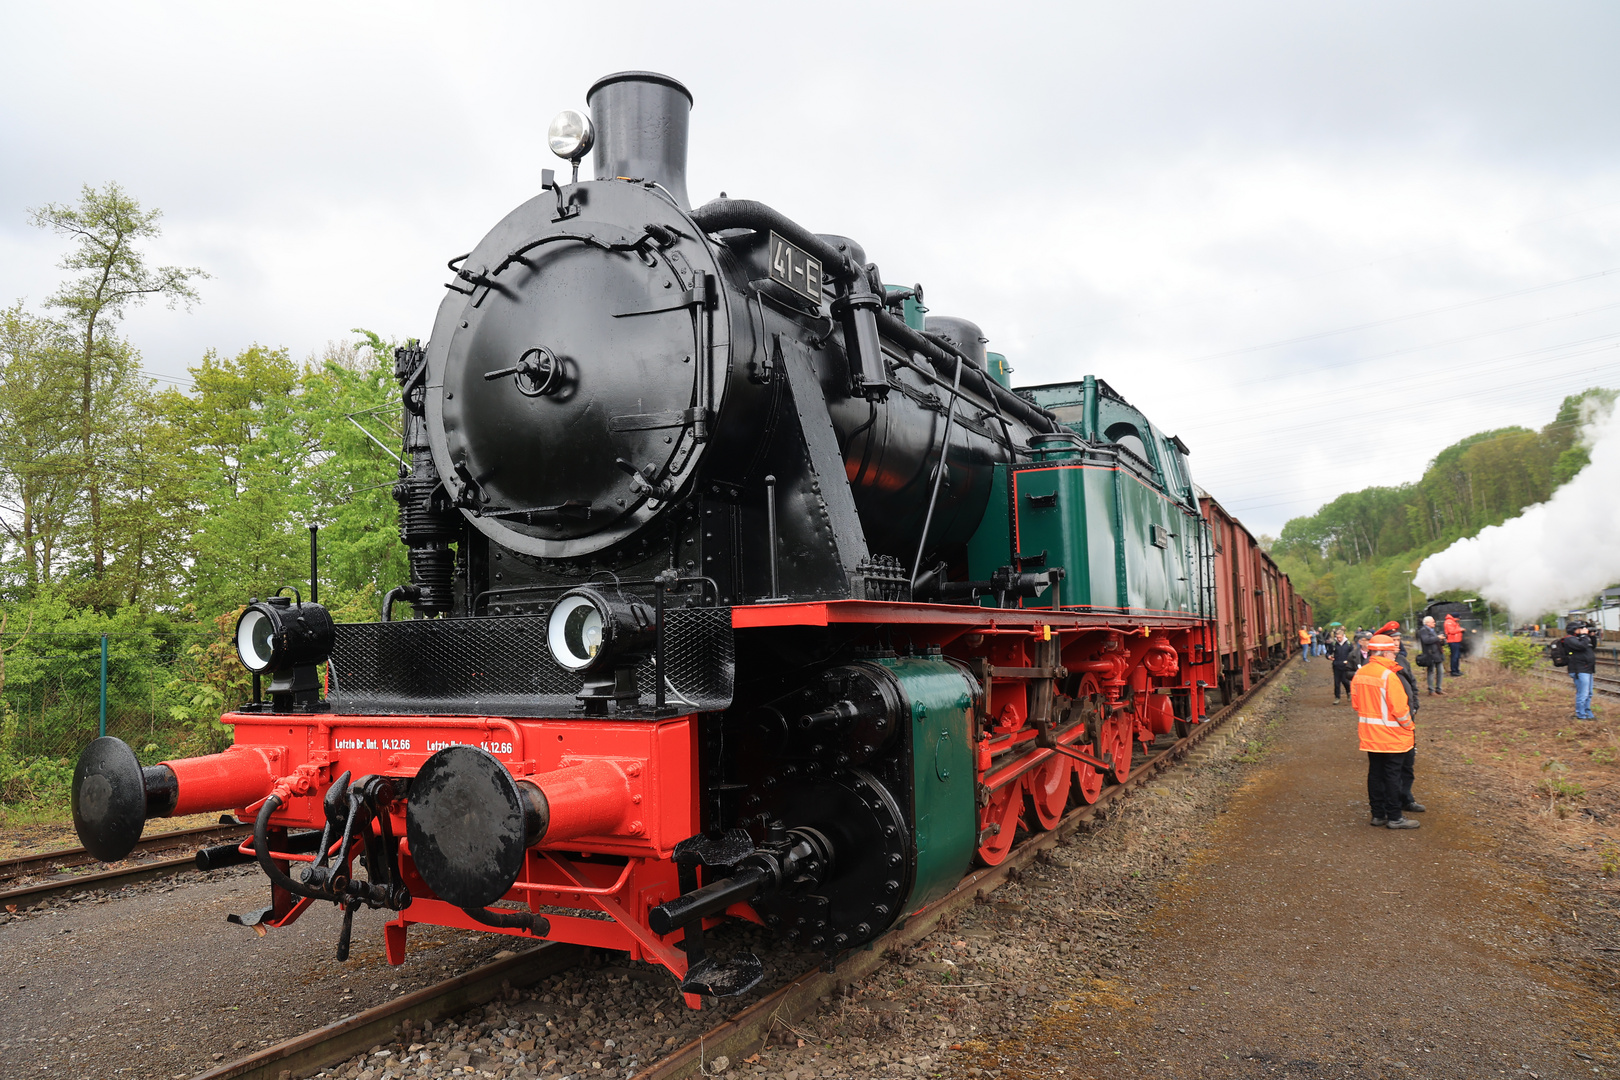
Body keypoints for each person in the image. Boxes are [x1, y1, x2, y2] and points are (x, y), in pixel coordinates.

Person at [1350, 634, 1420, 829]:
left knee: (1375, 773)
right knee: (1392, 775)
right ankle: (1395, 817)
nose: (1394, 656)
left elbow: (1356, 704)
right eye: (1393, 652)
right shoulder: (1389, 676)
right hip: (1392, 736)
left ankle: (1378, 814)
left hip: (1370, 735)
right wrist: (1409, 726)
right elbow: (1400, 710)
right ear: (1385, 652)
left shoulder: (1361, 673)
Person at [1562, 620, 1598, 721]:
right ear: (1573, 630)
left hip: (1587, 669)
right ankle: (1581, 715)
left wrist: (1592, 636)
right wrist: (1584, 636)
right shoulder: (1569, 639)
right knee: (1583, 693)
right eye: (1580, 628)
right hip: (1579, 669)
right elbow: (1581, 646)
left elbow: (1592, 646)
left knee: (1589, 693)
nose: (1582, 630)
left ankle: (1588, 713)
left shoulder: (1581, 639)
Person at [1329, 627, 1360, 703]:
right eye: (1337, 637)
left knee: (1345, 681)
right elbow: (1328, 653)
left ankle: (1348, 692)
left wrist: (1351, 662)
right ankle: (1337, 697)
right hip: (1336, 665)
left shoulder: (1348, 644)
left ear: (1343, 636)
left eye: (1340, 637)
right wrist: (1328, 656)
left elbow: (1353, 654)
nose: (1338, 639)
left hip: (1345, 666)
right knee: (1336, 682)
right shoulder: (1333, 644)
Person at [1416, 615, 1445, 695]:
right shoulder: (1423, 630)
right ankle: (1431, 690)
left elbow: (1436, 640)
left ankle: (1439, 688)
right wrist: (1438, 637)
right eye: (1433, 622)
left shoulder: (1433, 630)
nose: (1434, 623)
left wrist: (1442, 640)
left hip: (1438, 653)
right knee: (1431, 672)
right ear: (1427, 623)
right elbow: (1426, 640)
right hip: (1430, 654)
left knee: (1440, 671)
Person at [1444, 613, 1465, 677]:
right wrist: (1460, 629)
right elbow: (1451, 631)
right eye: (1458, 618)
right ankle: (1454, 671)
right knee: (1454, 656)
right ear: (1455, 617)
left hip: (1456, 641)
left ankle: (1456, 670)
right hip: (1453, 641)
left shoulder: (1453, 621)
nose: (1459, 619)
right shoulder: (1449, 622)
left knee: (1457, 656)